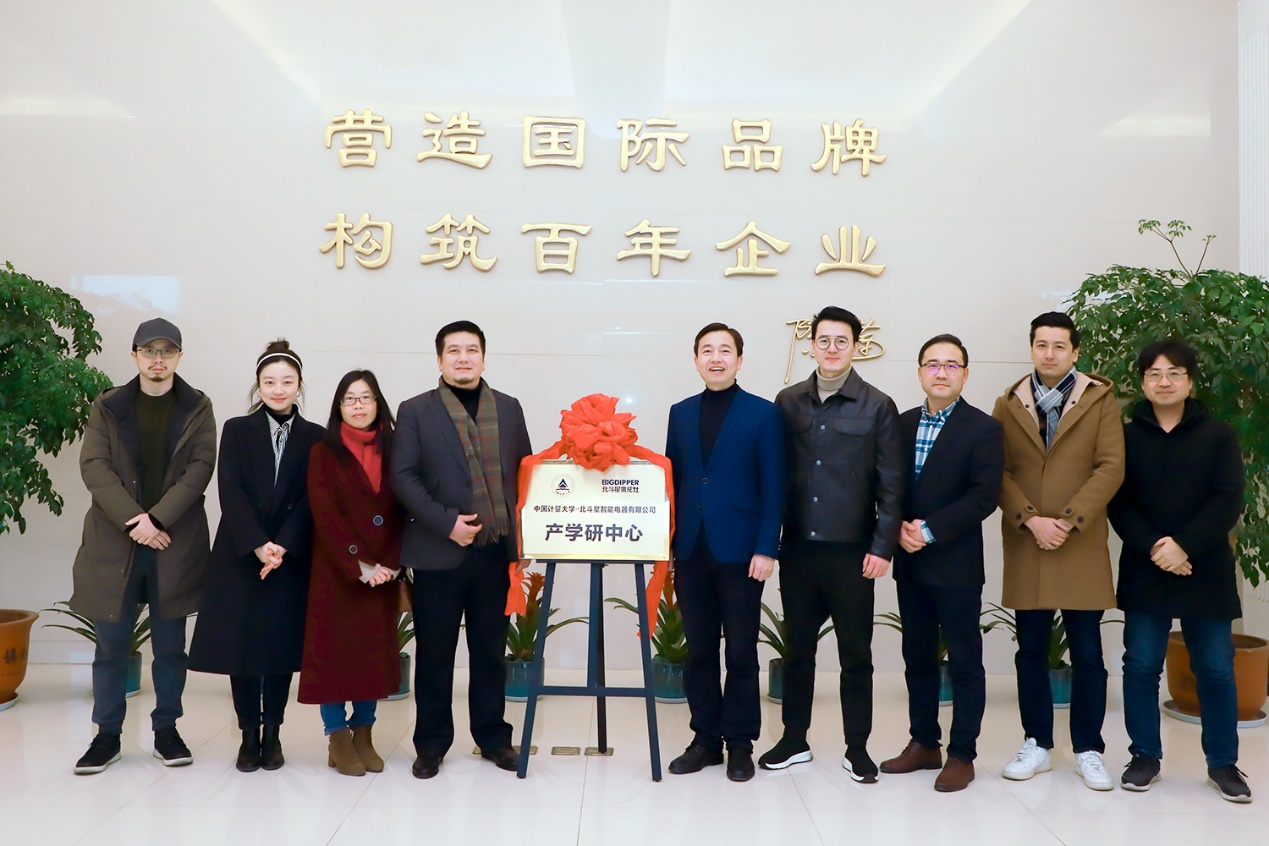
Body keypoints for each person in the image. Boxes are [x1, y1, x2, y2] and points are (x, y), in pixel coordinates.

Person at [759, 305, 904, 783]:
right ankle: (793, 739)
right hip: (799, 549)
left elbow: (891, 485)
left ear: (856, 347)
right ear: (812, 345)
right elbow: (774, 476)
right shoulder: (788, 402)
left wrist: (882, 547)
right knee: (797, 650)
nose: (832, 348)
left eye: (842, 340)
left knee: (855, 655)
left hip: (853, 553)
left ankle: (856, 747)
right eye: (824, 340)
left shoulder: (877, 405)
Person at [70, 318, 216, 774]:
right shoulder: (108, 405)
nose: (158, 360)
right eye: (149, 351)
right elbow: (95, 467)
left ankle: (166, 731)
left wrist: (157, 520)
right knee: (111, 647)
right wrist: (137, 522)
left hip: (173, 543)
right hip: (117, 542)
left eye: (167, 352)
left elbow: (200, 469)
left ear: (179, 357)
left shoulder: (198, 406)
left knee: (171, 648)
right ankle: (106, 736)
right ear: (134, 355)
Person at [1109, 340, 1250, 802]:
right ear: (1143, 382)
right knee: (1140, 665)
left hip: (1203, 566)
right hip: (1146, 565)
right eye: (1154, 373)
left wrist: (1183, 545)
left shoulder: (1219, 435)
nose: (1164, 381)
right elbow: (1118, 502)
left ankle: (1223, 764)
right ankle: (1144, 757)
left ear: (1190, 381)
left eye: (1174, 373)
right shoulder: (1125, 437)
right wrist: (1156, 546)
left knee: (1215, 668)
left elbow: (1227, 500)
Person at [390, 320, 533, 779]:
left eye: (472, 350)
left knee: (490, 652)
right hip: (439, 551)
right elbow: (403, 477)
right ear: (439, 360)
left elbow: (525, 476)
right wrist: (446, 523)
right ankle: (431, 744)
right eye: (454, 350)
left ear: (484, 359)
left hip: (495, 552)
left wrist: (526, 539)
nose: (463, 358)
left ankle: (493, 738)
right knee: (435, 654)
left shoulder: (508, 408)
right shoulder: (415, 410)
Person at [992, 312, 1124, 791]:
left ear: (1075, 351)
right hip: (1029, 540)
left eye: (1059, 346)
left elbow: (1111, 466)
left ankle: (1089, 748)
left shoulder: (1100, 399)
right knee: (1030, 649)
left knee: (1087, 651)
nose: (1049, 354)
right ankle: (1037, 743)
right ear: (1032, 348)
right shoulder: (1008, 402)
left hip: (1079, 541)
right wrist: (1031, 519)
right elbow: (997, 470)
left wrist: (1067, 521)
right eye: (1041, 345)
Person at [189, 340, 323, 772]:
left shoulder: (316, 437)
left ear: (299, 385)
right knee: (241, 651)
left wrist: (282, 545)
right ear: (258, 385)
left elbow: (312, 498)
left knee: (279, 651)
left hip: (289, 555)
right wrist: (258, 544)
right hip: (241, 552)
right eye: (269, 382)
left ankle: (273, 734)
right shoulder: (236, 429)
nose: (278, 389)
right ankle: (248, 735)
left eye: (286, 381)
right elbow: (231, 492)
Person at [879, 334, 1003, 792]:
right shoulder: (901, 423)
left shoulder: (984, 428)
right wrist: (896, 528)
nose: (941, 373)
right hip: (909, 562)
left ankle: (962, 754)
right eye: (932, 364)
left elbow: (983, 496)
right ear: (919, 373)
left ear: (965, 374)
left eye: (951, 365)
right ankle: (924, 743)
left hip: (956, 564)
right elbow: (886, 485)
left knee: (965, 661)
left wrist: (928, 530)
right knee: (917, 657)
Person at [664, 323, 784, 782]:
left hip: (742, 553)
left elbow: (774, 485)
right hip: (691, 550)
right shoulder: (680, 412)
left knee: (740, 653)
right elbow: (673, 483)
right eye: (707, 350)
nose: (716, 358)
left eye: (725, 350)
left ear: (739, 359)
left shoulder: (763, 413)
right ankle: (705, 740)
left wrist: (766, 548)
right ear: (696, 360)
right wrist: (667, 543)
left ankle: (739, 743)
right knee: (698, 652)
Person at [298, 370, 405, 777]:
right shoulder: (322, 452)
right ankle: (337, 736)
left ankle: (364, 733)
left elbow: (404, 510)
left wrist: (390, 563)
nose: (358, 405)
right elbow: (325, 514)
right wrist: (360, 563)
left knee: (371, 657)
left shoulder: (396, 448)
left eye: (366, 397)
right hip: (338, 571)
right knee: (334, 657)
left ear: (378, 404)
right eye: (350, 398)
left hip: (384, 573)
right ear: (338, 406)